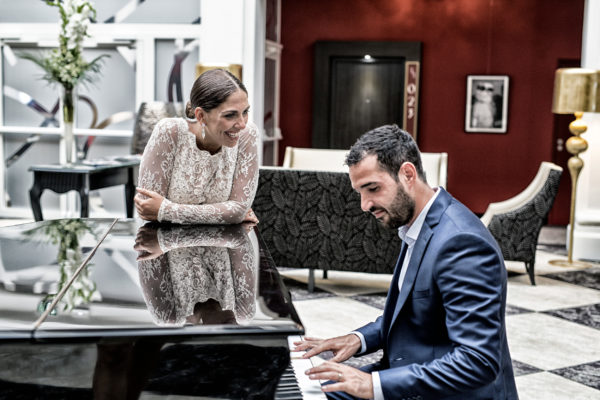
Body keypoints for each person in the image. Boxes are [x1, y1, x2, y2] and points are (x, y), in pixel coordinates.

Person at [294, 124, 518, 399]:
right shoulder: (420, 224)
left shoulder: (461, 243)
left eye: (372, 188)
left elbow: (478, 362)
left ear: (407, 174)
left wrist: (372, 385)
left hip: (449, 394)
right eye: (360, 193)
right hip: (413, 375)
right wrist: (358, 339)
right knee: (311, 393)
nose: (365, 204)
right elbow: (415, 314)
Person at [134, 68, 259, 225]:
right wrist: (225, 213)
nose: (242, 124)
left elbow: (238, 210)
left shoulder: (248, 134)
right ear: (201, 115)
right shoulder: (169, 131)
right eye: (230, 115)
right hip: (164, 243)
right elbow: (147, 207)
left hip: (223, 244)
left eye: (245, 112)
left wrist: (166, 210)